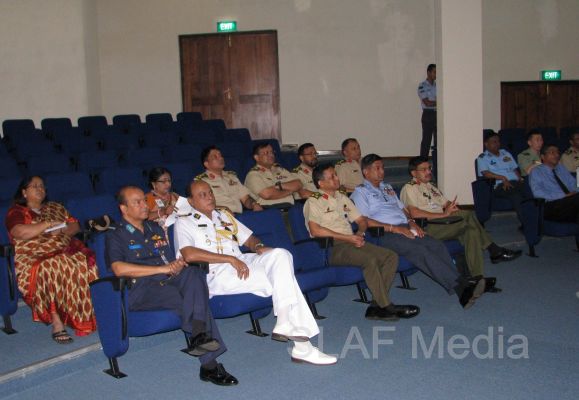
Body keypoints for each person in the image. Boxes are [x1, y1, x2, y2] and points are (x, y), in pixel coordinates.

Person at [174, 180, 337, 366]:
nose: (209, 197)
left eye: (210, 192)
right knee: (282, 279)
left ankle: (285, 322)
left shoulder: (223, 215)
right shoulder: (184, 222)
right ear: (191, 201)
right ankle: (302, 345)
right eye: (202, 195)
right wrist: (229, 259)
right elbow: (188, 254)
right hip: (217, 272)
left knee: (281, 255)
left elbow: (250, 239)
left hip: (241, 262)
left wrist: (258, 246)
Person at [106, 186, 238, 386]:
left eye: (144, 200)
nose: (145, 205)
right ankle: (209, 365)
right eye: (137, 202)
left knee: (194, 273)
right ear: (124, 209)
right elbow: (118, 269)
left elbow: (169, 260)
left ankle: (199, 333)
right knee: (188, 298)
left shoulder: (155, 228)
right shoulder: (116, 235)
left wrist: (177, 264)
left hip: (168, 278)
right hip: (142, 289)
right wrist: (162, 269)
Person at [351, 154, 489, 308]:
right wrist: (395, 228)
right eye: (377, 168)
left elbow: (403, 209)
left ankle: (461, 286)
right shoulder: (360, 192)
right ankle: (461, 287)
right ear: (366, 172)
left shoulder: (387, 187)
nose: (382, 171)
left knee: (435, 244)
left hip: (404, 226)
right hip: (384, 233)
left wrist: (412, 222)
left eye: (382, 167)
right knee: (419, 249)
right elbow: (364, 221)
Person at [304, 163, 420, 321]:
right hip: (330, 248)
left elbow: (361, 220)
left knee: (390, 256)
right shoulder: (313, 201)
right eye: (332, 177)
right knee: (370, 259)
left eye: (336, 175)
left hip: (351, 242)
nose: (337, 178)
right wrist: (349, 238)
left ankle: (376, 306)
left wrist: (360, 233)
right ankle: (386, 306)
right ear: (321, 183)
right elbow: (315, 230)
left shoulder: (342, 198)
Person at [5, 176, 97, 343]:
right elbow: (20, 232)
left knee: (86, 260)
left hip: (63, 249)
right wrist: (47, 225)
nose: (40, 189)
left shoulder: (55, 207)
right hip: (34, 256)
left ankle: (87, 314)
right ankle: (57, 322)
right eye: (34, 186)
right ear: (24, 192)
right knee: (53, 265)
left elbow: (75, 226)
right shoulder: (16, 212)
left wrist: (61, 230)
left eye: (42, 186)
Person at [400, 157, 522, 278]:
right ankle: (493, 249)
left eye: (429, 168)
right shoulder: (409, 188)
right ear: (414, 173)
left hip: (443, 222)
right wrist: (443, 214)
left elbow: (445, 203)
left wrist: (452, 207)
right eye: (424, 169)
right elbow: (414, 214)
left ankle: (477, 277)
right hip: (427, 227)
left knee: (471, 231)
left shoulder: (430, 186)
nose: (428, 172)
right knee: (467, 215)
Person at [476, 131, 528, 224]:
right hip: (499, 186)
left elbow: (514, 169)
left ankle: (538, 220)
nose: (497, 144)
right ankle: (527, 224)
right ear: (486, 144)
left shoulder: (505, 153)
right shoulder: (483, 158)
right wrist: (502, 178)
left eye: (498, 141)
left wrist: (521, 179)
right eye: (494, 142)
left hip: (515, 183)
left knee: (531, 190)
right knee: (515, 195)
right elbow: (486, 174)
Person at [196, 145, 263, 213]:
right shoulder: (202, 182)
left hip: (239, 215)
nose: (221, 158)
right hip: (220, 216)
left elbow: (245, 199)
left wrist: (253, 204)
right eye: (215, 157)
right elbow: (202, 206)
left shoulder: (232, 177)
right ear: (206, 164)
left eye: (221, 155)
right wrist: (223, 210)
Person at [529, 144, 579, 224]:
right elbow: (538, 193)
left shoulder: (561, 168)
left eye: (557, 152)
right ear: (542, 156)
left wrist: (575, 193)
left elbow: (573, 184)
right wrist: (564, 195)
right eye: (552, 152)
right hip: (552, 205)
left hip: (570, 202)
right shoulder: (536, 171)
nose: (556, 155)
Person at [244, 143, 302, 208]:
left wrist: (278, 186)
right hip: (269, 209)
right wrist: (290, 191)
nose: (271, 155)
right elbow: (267, 195)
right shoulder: (253, 175)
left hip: (290, 206)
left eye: (272, 152)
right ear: (256, 157)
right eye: (266, 153)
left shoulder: (280, 169)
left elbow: (298, 184)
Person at [417, 63, 437, 157]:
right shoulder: (422, 86)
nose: (436, 74)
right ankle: (422, 162)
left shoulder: (439, 85)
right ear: (428, 72)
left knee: (438, 141)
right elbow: (427, 103)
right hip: (428, 115)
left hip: (438, 114)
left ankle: (437, 162)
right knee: (426, 141)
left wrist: (435, 102)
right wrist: (439, 102)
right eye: (434, 72)